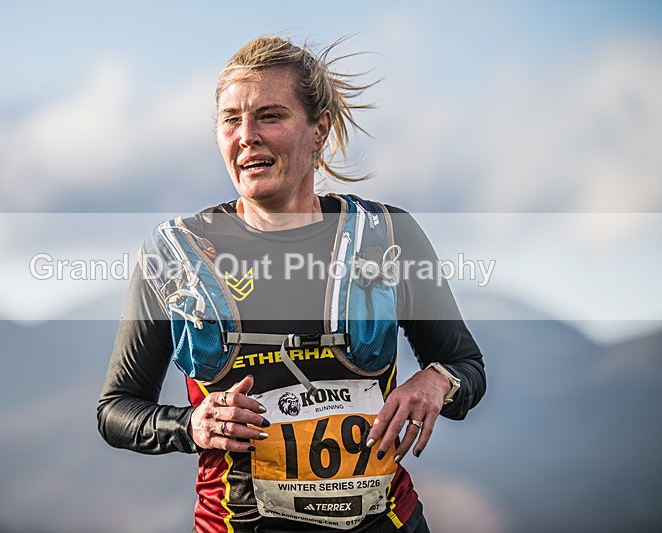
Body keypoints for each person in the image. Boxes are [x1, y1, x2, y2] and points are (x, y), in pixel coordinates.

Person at [97, 35, 485, 532]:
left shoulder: (387, 237)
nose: (247, 135)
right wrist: (191, 425)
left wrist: (437, 381)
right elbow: (116, 410)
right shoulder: (177, 253)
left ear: (319, 128)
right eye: (231, 119)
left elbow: (466, 366)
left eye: (270, 116)